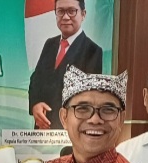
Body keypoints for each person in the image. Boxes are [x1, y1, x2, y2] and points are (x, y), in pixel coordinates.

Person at [28, 0, 104, 129]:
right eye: (60, 11)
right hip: (42, 129)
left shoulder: (92, 51)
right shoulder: (49, 44)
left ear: (83, 14)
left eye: (71, 11)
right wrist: (35, 104)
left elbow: (88, 97)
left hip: (70, 132)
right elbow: (36, 80)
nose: (66, 17)